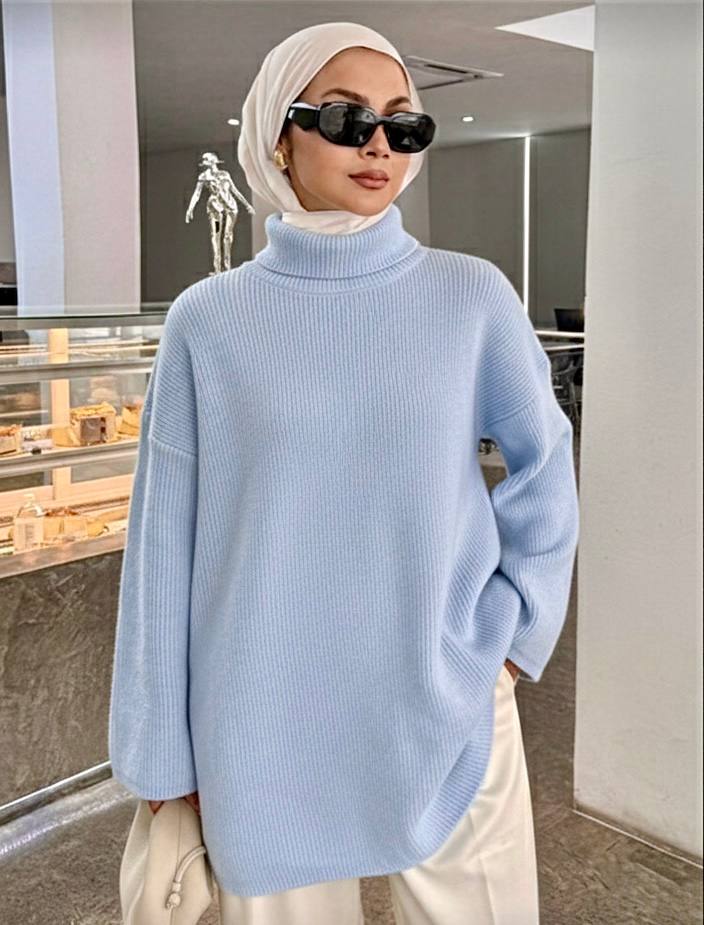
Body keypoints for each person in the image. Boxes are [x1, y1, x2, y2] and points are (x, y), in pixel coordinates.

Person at [108, 20, 580, 925]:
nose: (378, 144)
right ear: (277, 136)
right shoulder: (210, 320)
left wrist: (516, 635)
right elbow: (163, 546)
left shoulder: (469, 296)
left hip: (446, 683)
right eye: (345, 116)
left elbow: (545, 463)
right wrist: (160, 749)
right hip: (262, 709)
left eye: (403, 124)